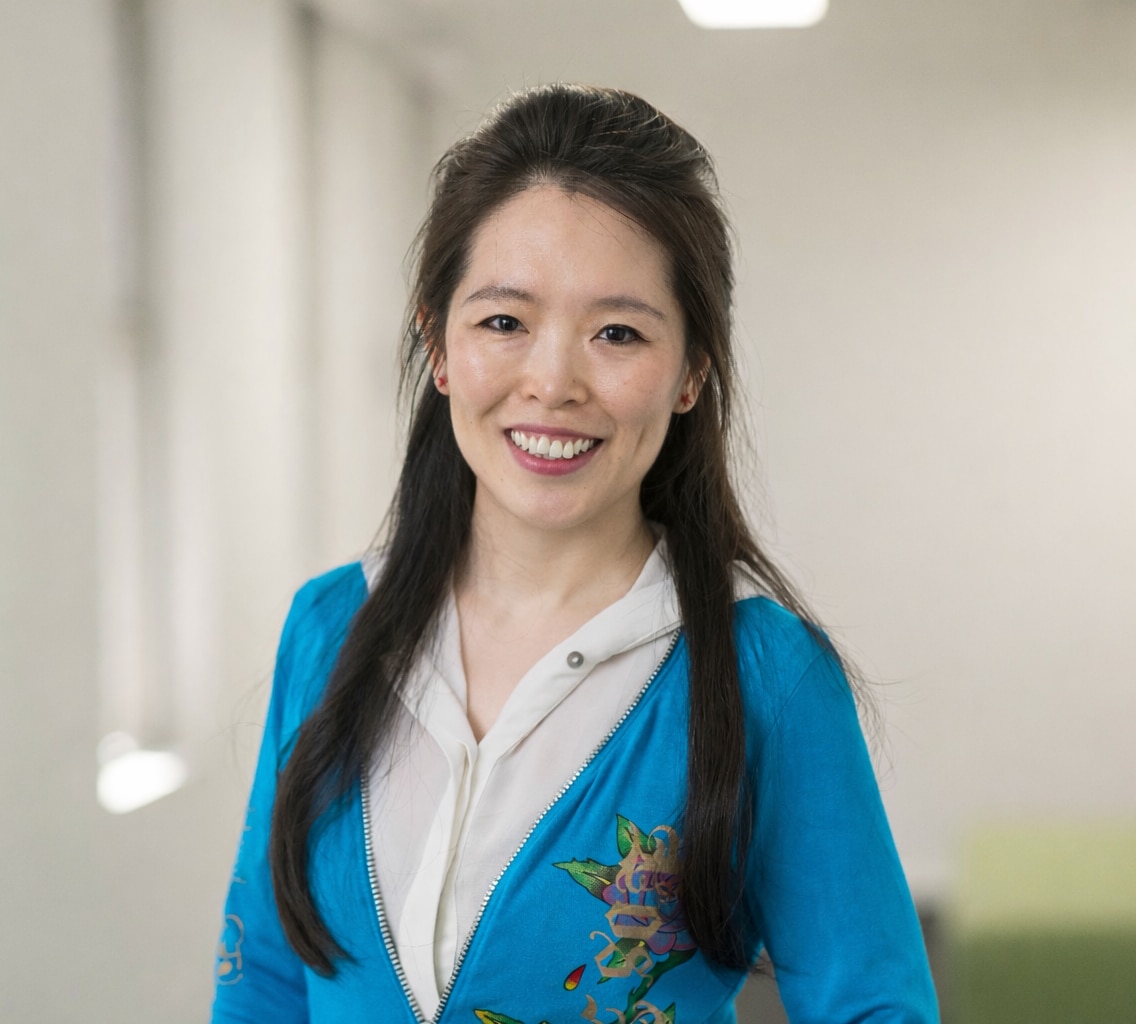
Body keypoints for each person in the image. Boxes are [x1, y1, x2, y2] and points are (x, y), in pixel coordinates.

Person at [211, 84, 938, 1024]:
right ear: (438, 347)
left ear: (690, 375)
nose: (552, 383)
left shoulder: (767, 679)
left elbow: (872, 1007)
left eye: (618, 334)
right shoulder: (329, 629)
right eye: (504, 322)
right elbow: (263, 981)